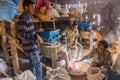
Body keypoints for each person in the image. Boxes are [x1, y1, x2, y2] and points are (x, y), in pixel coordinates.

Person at [16, 0, 43, 80]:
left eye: (34, 7)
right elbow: (21, 34)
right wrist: (36, 37)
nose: (33, 9)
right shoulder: (23, 18)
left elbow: (28, 31)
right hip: (30, 46)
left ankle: (33, 78)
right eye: (31, 7)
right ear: (26, 7)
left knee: (33, 65)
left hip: (32, 45)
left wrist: (36, 32)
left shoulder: (28, 17)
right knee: (38, 66)